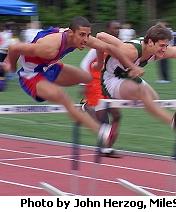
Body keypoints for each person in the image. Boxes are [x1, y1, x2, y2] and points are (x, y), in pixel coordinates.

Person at [1, 16, 143, 146]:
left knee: (87, 78)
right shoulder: (49, 48)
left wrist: (128, 66)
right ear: (70, 33)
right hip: (31, 74)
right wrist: (12, 67)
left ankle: (84, 106)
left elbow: (107, 47)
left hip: (50, 67)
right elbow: (14, 47)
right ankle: (101, 131)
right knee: (61, 96)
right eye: (82, 35)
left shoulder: (79, 37)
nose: (86, 39)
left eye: (88, 35)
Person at [80, 20, 122, 157]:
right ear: (108, 30)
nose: (117, 31)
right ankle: (105, 148)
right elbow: (85, 62)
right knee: (103, 118)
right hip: (94, 82)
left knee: (117, 115)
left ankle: (107, 146)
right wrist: (83, 83)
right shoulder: (98, 46)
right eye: (115, 28)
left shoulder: (119, 46)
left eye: (119, 28)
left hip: (107, 83)